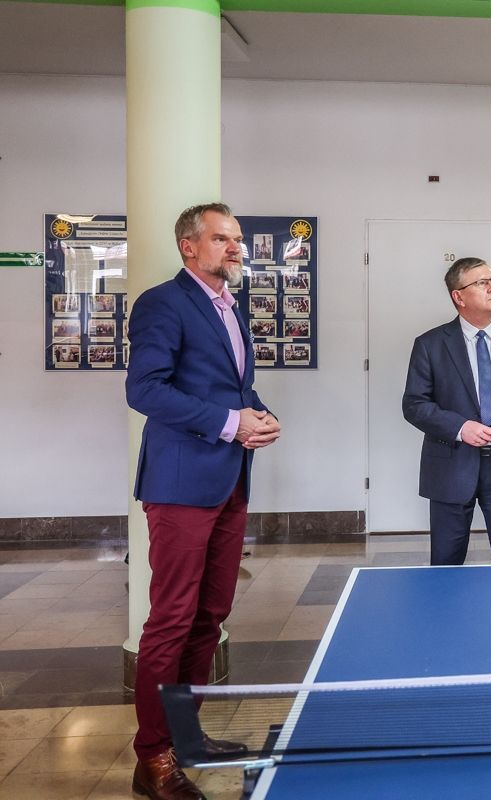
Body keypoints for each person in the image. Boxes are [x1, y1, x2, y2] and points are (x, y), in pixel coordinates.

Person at [126, 203, 281, 800]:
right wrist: (230, 423)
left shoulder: (229, 306)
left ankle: (185, 737)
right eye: (222, 239)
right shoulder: (163, 303)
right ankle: (153, 758)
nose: (235, 247)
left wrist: (258, 415)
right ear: (189, 246)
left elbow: (233, 388)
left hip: (228, 478)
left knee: (209, 615)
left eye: (237, 239)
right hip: (181, 483)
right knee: (171, 619)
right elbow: (145, 390)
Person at [402, 257, 491, 566]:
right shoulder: (430, 344)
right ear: (459, 296)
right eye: (482, 282)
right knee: (446, 563)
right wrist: (460, 428)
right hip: (451, 465)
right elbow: (414, 404)